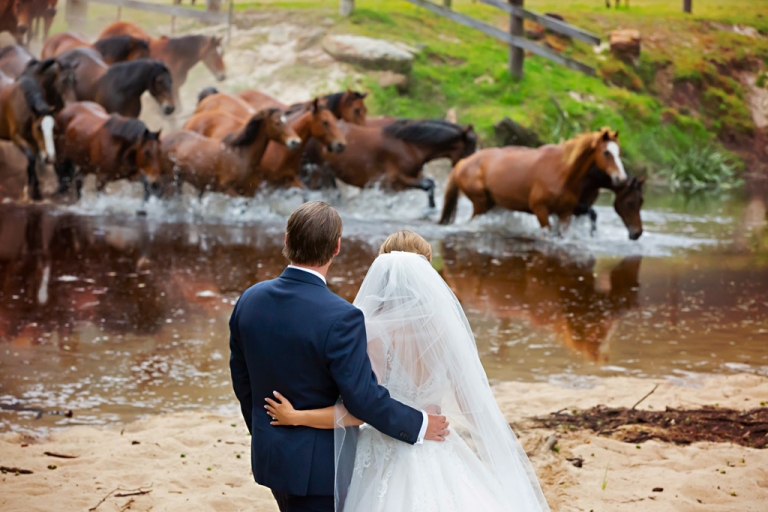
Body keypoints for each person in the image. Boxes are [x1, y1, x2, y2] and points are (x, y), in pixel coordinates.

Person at [266, 229, 551, 511]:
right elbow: (471, 403)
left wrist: (297, 416)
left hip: (384, 455)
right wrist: (500, 445)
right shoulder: (446, 329)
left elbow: (360, 409)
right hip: (440, 448)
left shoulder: (371, 332)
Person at [229, 203, 450, 512]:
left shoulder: (249, 300)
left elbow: (243, 381)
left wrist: (267, 433)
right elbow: (362, 400)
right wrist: (418, 424)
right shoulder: (342, 317)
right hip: (321, 471)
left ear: (287, 239)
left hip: (272, 458)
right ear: (336, 246)